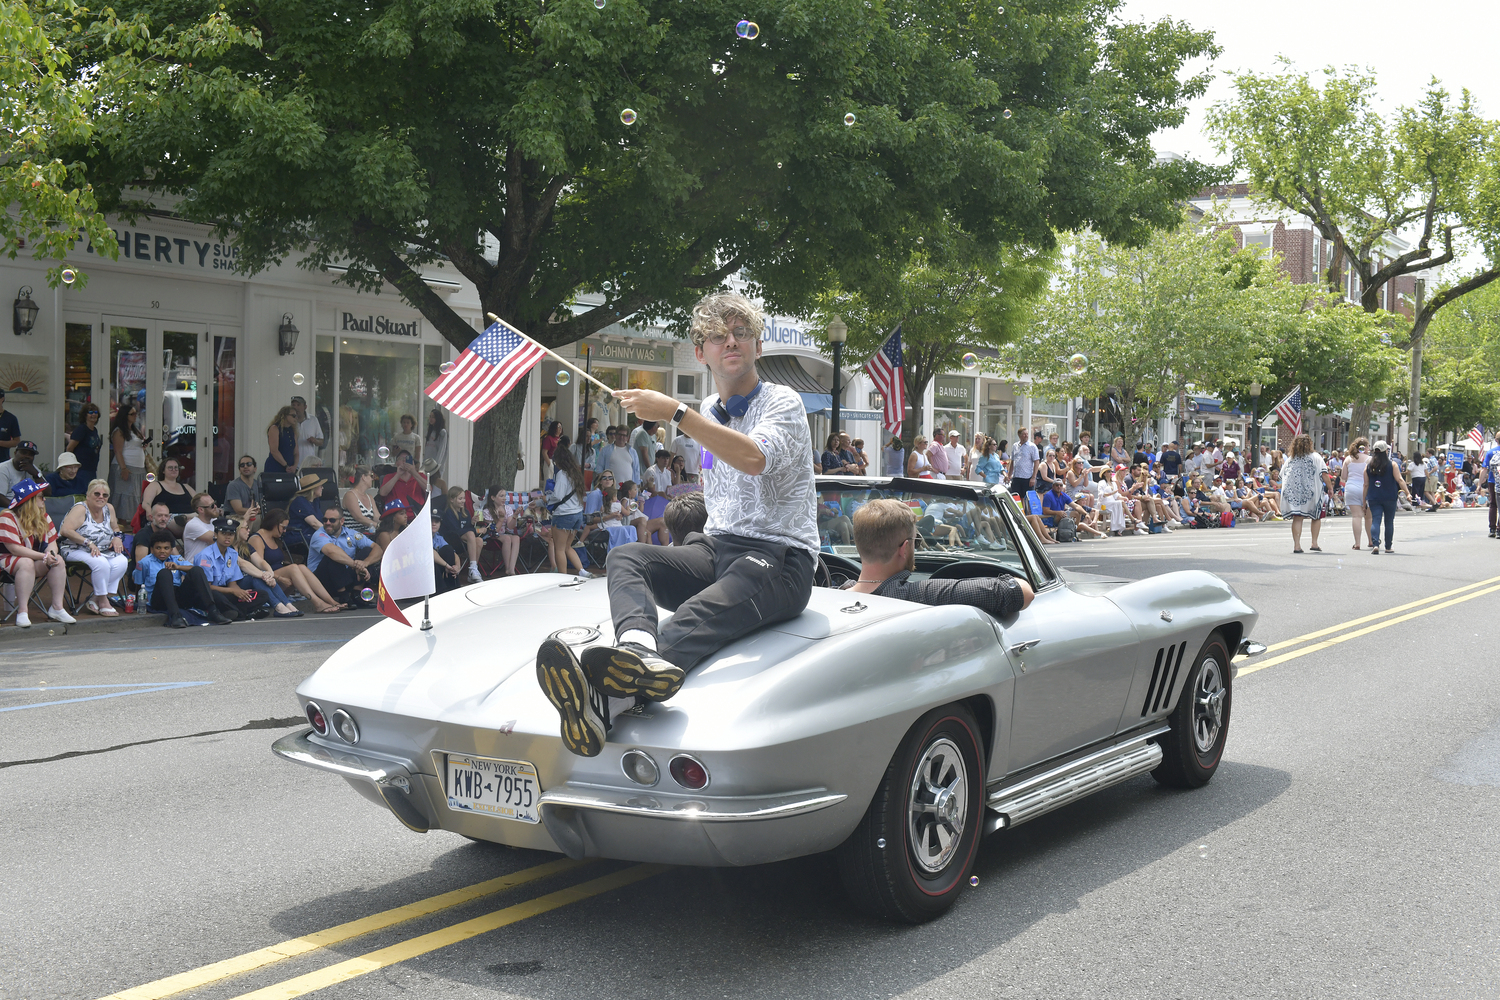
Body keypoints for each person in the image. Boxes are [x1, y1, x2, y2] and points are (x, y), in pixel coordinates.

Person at [535, 291, 818, 758]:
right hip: (717, 546)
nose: (732, 341)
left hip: (779, 558)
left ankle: (602, 697)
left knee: (701, 614)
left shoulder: (781, 401)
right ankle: (639, 647)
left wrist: (672, 412)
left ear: (758, 347)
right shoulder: (707, 409)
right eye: (718, 335)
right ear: (701, 350)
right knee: (627, 556)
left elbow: (753, 458)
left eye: (742, 333)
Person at [847, 499, 1034, 612]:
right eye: (916, 541)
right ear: (904, 549)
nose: (916, 546)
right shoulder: (922, 594)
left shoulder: (834, 595)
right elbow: (1022, 592)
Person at [0, 479, 76, 627]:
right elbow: (15, 549)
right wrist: (43, 556)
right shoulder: (7, 517)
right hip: (7, 560)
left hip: (34, 560)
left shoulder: (44, 517)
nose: (45, 499)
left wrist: (51, 556)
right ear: (30, 500)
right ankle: (22, 611)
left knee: (58, 560)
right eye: (41, 497)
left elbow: (52, 543)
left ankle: (57, 608)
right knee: (26, 562)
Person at [248, 509, 345, 613]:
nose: (284, 531)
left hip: (279, 582)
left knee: (301, 567)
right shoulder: (257, 539)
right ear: (274, 524)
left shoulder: (275, 538)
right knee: (293, 568)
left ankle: (331, 601)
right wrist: (280, 578)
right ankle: (318, 603)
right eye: (283, 527)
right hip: (267, 581)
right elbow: (259, 568)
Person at [59, 479, 129, 615]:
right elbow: (65, 530)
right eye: (96, 494)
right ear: (88, 495)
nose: (101, 497)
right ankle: (103, 601)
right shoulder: (80, 509)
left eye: (105, 495)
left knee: (121, 561)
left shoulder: (109, 508)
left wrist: (117, 538)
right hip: (74, 548)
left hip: (102, 550)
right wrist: (88, 542)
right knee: (101, 562)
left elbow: (115, 527)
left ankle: (95, 598)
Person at [137, 529, 230, 627]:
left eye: (166, 548)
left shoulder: (176, 559)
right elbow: (138, 583)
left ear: (171, 549)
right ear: (152, 549)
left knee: (197, 570)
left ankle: (213, 611)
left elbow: (192, 568)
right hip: (159, 599)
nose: (162, 551)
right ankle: (175, 616)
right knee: (164, 573)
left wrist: (178, 567)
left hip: (178, 597)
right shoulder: (144, 562)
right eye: (158, 548)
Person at [196, 517, 273, 620]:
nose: (227, 537)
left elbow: (233, 583)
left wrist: (241, 593)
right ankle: (242, 614)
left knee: (262, 595)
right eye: (223, 534)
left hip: (227, 593)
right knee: (216, 596)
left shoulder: (232, 554)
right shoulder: (206, 556)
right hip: (209, 594)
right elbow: (207, 587)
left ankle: (232, 612)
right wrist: (233, 591)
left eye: (231, 534)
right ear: (215, 535)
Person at [307, 506, 382, 607]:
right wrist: (356, 565)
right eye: (325, 520)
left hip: (343, 577)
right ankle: (344, 596)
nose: (327, 523)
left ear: (342, 521)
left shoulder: (352, 534)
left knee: (367, 551)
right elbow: (331, 552)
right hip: (321, 581)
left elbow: (378, 548)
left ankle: (357, 594)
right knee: (333, 556)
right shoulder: (319, 534)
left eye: (332, 520)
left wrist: (365, 563)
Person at [545, 437, 587, 579]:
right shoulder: (575, 473)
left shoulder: (562, 474)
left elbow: (557, 495)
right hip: (577, 514)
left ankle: (563, 577)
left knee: (560, 548)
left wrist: (546, 499)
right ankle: (582, 571)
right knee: (568, 546)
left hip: (563, 515)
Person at [1281, 433, 1327, 554]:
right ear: (1310, 444)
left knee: (1297, 517)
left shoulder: (1290, 459)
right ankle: (1314, 543)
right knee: (1316, 517)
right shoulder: (1316, 457)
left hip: (1294, 492)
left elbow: (1282, 475)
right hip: (1312, 491)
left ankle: (1297, 545)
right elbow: (1324, 473)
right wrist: (1330, 488)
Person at [1366, 441, 1407, 555]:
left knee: (1376, 520)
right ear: (1386, 451)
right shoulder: (1392, 464)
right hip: (1390, 496)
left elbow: (1366, 484)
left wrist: (1364, 498)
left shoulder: (1369, 466)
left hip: (1374, 496)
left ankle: (1375, 544)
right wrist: (1407, 492)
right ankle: (1388, 546)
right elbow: (1399, 479)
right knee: (1389, 521)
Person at [440, 486, 485, 584]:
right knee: (471, 534)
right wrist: (476, 531)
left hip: (464, 541)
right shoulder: (448, 513)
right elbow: (455, 531)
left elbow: (467, 528)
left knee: (479, 540)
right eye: (460, 499)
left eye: (464, 498)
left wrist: (472, 523)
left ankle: (472, 571)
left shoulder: (466, 512)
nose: (463, 501)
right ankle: (473, 568)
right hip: (452, 541)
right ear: (451, 500)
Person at [1340, 438, 1372, 550]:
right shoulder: (1369, 459)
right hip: (1366, 488)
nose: (1369, 448)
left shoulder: (1348, 459)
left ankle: (1357, 543)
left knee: (1356, 516)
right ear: (1364, 447)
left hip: (1352, 488)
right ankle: (1371, 541)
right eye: (1368, 446)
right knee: (1368, 517)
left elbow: (1343, 477)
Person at [67, 402, 104, 481]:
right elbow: (69, 448)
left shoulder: (94, 430)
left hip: (92, 469)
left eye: (95, 412)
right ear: (85, 415)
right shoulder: (82, 429)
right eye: (90, 412)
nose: (93, 414)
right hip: (81, 470)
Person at [225, 455, 264, 521]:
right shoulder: (233, 485)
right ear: (239, 470)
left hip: (255, 517)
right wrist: (260, 511)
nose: (245, 467)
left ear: (255, 468)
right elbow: (239, 510)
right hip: (236, 518)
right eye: (242, 465)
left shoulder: (259, 485)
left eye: (249, 464)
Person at [183, 492, 221, 560]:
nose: (215, 506)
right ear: (201, 509)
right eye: (212, 506)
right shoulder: (193, 525)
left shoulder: (214, 521)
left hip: (211, 565)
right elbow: (219, 539)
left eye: (215, 503)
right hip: (195, 567)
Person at [292, 396, 326, 468]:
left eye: (298, 405)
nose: (296, 408)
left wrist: (314, 440)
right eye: (293, 405)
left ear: (305, 407)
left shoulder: (313, 420)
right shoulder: (290, 421)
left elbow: (321, 441)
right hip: (293, 463)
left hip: (309, 464)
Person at [265, 406, 298, 475]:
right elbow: (274, 451)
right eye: (293, 416)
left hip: (290, 468)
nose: (295, 418)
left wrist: (295, 466)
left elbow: (296, 452)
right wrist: (286, 465)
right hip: (276, 466)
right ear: (285, 415)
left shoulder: (292, 431)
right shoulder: (275, 428)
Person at [1010, 428, 1040, 493]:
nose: (1026, 436)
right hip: (1016, 476)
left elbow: (1036, 462)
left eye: (1027, 434)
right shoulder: (1015, 446)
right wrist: (1009, 475)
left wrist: (1033, 477)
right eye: (1024, 434)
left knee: (1027, 498)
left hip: (1027, 477)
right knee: (1016, 497)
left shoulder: (1032, 446)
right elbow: (1012, 461)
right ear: (1019, 435)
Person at [425, 409, 449, 478]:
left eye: (433, 417)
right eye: (430, 416)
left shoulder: (442, 432)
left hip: (436, 467)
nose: (431, 419)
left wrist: (436, 466)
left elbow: (442, 450)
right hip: (427, 466)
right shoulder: (430, 432)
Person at [0, 388, 20, 462]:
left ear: (2, 399)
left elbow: (16, 442)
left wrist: (1, 443)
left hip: (2, 461)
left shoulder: (10, 418)